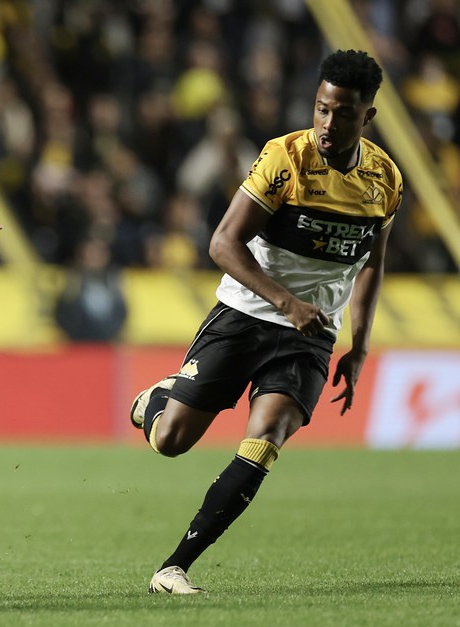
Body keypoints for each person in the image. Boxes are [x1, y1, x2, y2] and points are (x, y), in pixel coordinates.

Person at [129, 50, 403, 594]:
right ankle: (157, 399)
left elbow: (373, 260)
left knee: (266, 437)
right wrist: (287, 303)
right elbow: (223, 243)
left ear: (366, 117)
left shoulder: (384, 180)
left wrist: (360, 344)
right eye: (321, 109)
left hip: (311, 336)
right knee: (170, 441)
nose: (327, 124)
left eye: (342, 114)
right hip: (247, 313)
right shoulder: (286, 158)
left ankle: (174, 566)